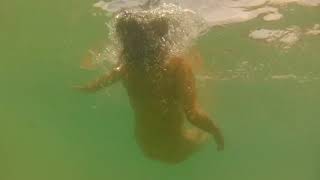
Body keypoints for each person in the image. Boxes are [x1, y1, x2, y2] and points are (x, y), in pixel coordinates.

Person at [75, 10, 224, 164]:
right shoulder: (177, 67)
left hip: (145, 143)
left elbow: (100, 83)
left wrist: (84, 88)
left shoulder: (126, 67)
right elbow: (192, 115)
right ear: (162, 38)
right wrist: (216, 133)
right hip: (173, 148)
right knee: (202, 132)